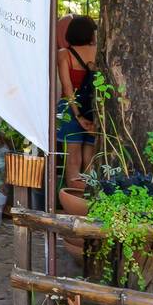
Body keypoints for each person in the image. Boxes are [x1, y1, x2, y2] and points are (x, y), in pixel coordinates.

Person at [56, 15, 98, 187]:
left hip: (70, 108)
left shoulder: (64, 54)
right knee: (90, 157)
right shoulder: (98, 52)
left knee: (73, 158)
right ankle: (89, 197)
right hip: (94, 108)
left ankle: (72, 198)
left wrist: (78, 115)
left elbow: (67, 88)